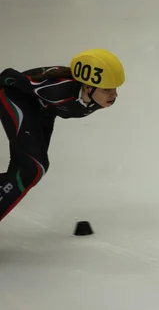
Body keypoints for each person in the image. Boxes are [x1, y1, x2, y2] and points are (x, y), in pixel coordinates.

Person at [0, 49, 125, 222]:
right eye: (107, 90)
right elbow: (8, 77)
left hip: (43, 110)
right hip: (16, 97)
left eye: (114, 89)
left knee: (27, 172)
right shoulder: (59, 88)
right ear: (88, 87)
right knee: (34, 168)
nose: (114, 95)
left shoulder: (98, 98)